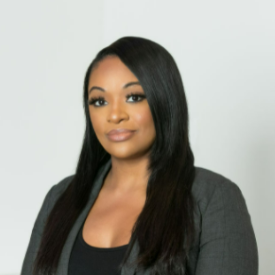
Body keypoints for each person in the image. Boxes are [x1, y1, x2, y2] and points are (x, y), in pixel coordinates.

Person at [20, 37, 258, 275]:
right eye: (99, 101)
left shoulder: (214, 199)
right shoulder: (61, 197)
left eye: (133, 97)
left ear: (163, 99)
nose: (114, 115)